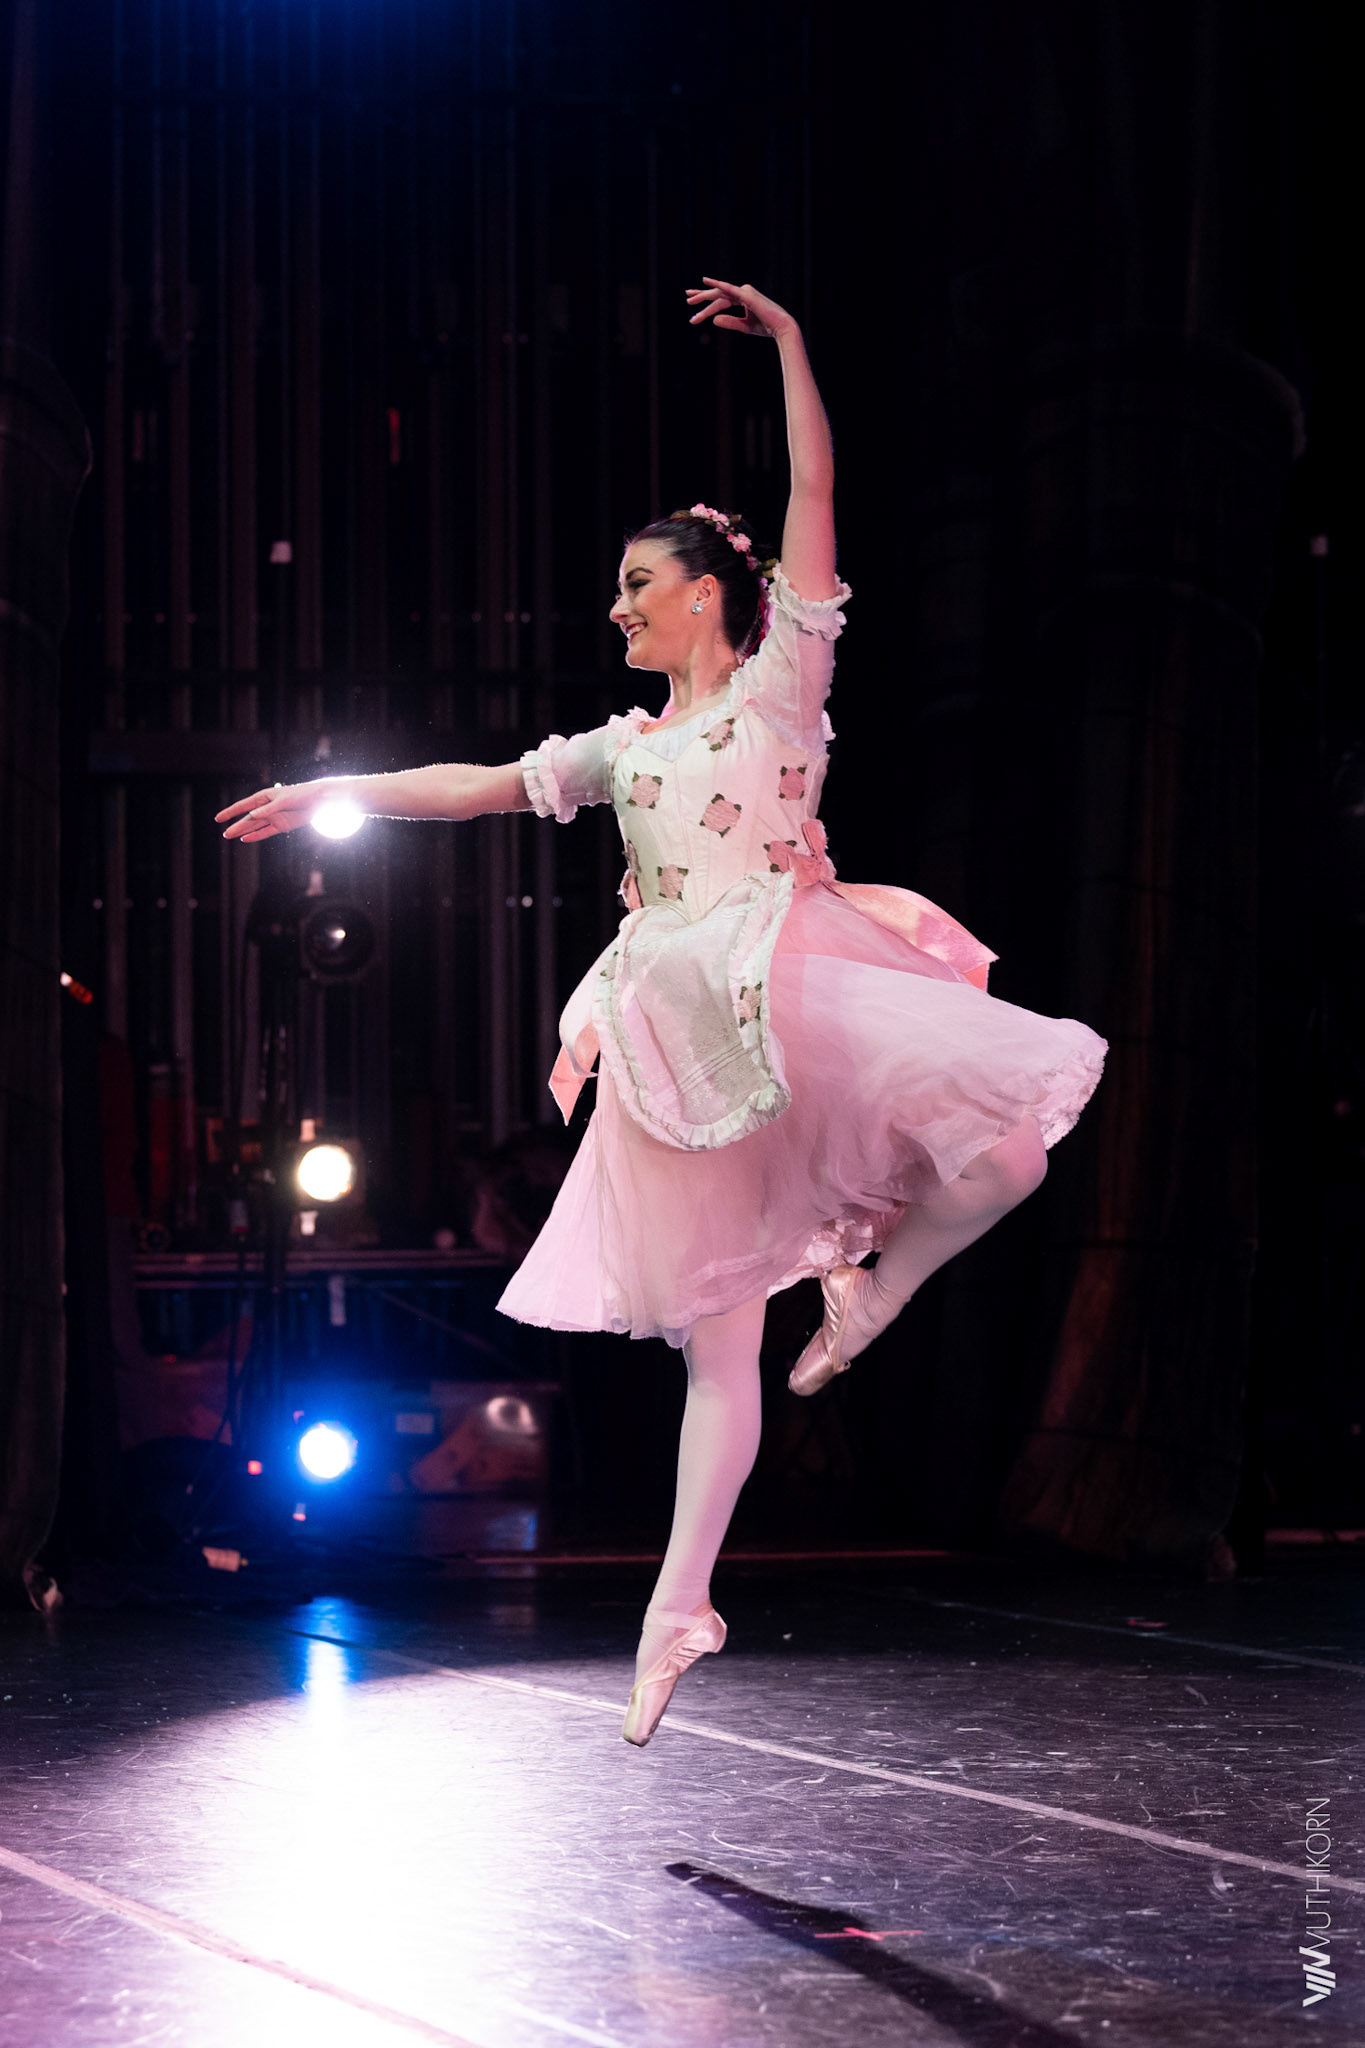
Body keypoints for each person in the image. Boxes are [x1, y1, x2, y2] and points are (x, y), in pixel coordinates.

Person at [218, 276, 1108, 1748]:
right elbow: (476, 786)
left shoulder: (781, 688)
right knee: (717, 1341)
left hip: (801, 975)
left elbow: (813, 492)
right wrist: (332, 789)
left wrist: (795, 346)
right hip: (681, 1039)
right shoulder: (620, 751)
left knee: (1009, 1153)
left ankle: (878, 1289)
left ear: (705, 593)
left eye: (640, 582)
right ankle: (676, 1607)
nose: (620, 604)